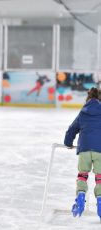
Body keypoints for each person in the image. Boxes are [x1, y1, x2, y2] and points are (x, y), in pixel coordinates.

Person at [64, 87, 101, 220]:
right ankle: (100, 201)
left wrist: (68, 143)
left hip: (84, 148)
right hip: (100, 150)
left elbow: (72, 129)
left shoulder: (83, 112)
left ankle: (80, 196)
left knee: (83, 174)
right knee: (100, 176)